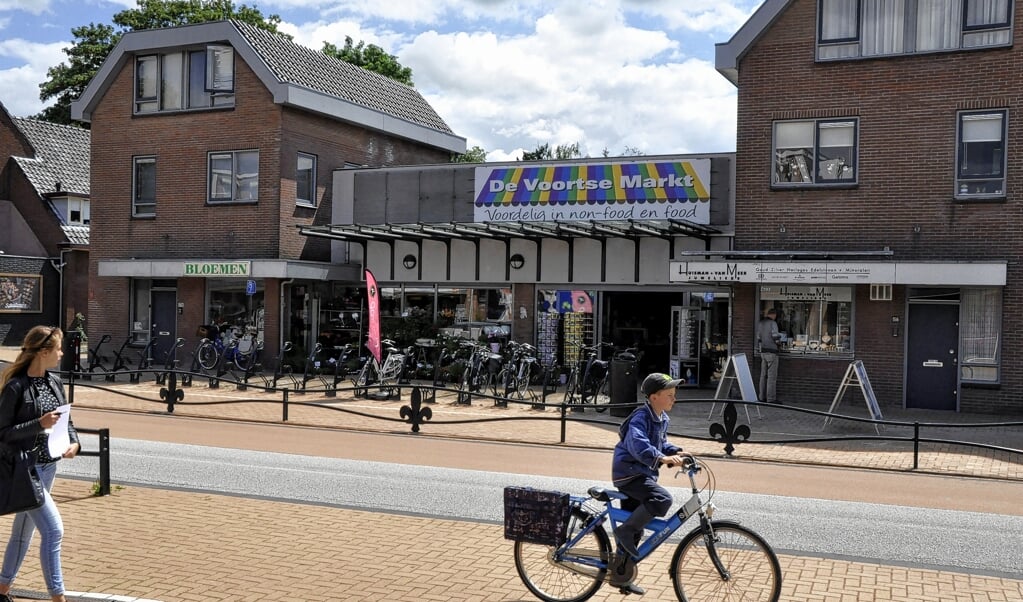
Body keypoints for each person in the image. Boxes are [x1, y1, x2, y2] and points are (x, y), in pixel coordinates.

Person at [0, 326, 80, 602]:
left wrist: (74, 442)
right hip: (26, 471)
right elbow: (3, 433)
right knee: (53, 531)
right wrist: (38, 424)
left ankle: (2, 590)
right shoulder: (15, 387)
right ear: (44, 352)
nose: (61, 353)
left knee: (23, 533)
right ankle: (58, 598)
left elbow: (66, 420)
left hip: (48, 467)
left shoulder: (53, 382)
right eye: (58, 348)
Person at [610, 372, 688, 595]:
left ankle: (620, 576)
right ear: (654, 397)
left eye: (674, 395)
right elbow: (638, 443)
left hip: (642, 474)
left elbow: (661, 443)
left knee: (635, 530)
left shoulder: (662, 418)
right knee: (662, 499)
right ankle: (624, 532)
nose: (674, 399)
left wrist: (677, 452)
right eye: (670, 395)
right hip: (629, 474)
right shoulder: (641, 417)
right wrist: (661, 459)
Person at [757, 307, 782, 404]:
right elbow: (775, 336)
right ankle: (771, 398)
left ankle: (761, 397)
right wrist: (779, 344)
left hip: (763, 352)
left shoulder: (760, 323)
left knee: (763, 376)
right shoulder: (773, 323)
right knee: (772, 377)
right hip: (772, 352)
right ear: (774, 315)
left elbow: (758, 337)